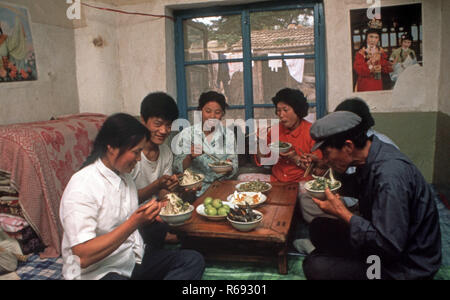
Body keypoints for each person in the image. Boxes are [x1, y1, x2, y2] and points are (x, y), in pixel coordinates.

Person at [59, 113, 205, 280]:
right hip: (98, 273)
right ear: (111, 147)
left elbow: (122, 210)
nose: (138, 159)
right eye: (136, 153)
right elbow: (82, 257)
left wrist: (153, 212)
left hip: (128, 261)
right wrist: (133, 223)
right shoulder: (82, 185)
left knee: (192, 260)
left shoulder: (124, 177)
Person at [302, 111, 441, 280]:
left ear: (348, 146)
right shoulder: (373, 153)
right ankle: (339, 261)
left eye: (327, 153)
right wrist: (325, 166)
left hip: (405, 265)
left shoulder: (390, 177)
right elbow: (359, 185)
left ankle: (335, 261)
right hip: (386, 242)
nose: (325, 158)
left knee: (314, 266)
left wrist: (343, 213)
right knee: (318, 227)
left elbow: (389, 245)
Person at [240, 88, 325, 226]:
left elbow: (317, 169)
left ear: (297, 110)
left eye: (285, 110)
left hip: (301, 181)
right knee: (241, 180)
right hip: (276, 179)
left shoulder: (312, 131)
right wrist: (260, 142)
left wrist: (295, 158)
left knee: (308, 194)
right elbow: (262, 160)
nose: (281, 115)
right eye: (278, 111)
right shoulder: (274, 130)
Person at [130, 92, 181, 249]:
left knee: (184, 219)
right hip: (132, 216)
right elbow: (125, 201)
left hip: (155, 212)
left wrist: (170, 193)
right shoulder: (130, 153)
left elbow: (162, 194)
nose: (164, 131)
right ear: (143, 120)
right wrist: (157, 185)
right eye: (158, 124)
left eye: (168, 125)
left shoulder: (165, 151)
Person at [173, 91, 238, 196]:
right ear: (200, 111)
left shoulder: (228, 135)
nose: (212, 116)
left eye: (217, 112)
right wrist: (189, 157)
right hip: (194, 190)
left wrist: (228, 167)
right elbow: (177, 167)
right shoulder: (187, 134)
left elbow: (234, 165)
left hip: (222, 187)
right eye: (208, 111)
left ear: (222, 114)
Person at [353, 23, 393, 92]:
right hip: (364, 83)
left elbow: (388, 68)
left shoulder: (381, 51)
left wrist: (381, 65)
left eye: (376, 37)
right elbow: (358, 69)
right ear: (366, 37)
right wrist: (370, 66)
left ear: (379, 39)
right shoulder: (361, 52)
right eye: (371, 36)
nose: (373, 40)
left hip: (378, 82)